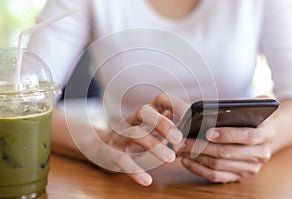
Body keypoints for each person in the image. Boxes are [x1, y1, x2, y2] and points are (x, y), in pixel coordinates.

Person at [28, 0, 292, 186]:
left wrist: (264, 139)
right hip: (125, 180)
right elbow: (22, 101)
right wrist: (98, 143)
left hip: (240, 178)